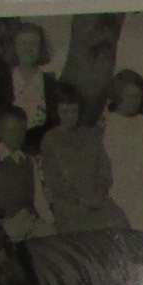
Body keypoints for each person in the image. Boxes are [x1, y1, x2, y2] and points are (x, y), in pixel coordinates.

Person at [36, 86, 124, 231]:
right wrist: (82, 200)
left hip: (97, 199)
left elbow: (104, 170)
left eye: (74, 111)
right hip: (70, 204)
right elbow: (54, 181)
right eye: (64, 112)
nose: (70, 117)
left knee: (119, 224)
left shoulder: (90, 135)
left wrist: (99, 194)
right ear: (56, 112)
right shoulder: (51, 139)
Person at [102, 68, 143, 240]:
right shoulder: (106, 123)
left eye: (138, 96)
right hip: (116, 198)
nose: (134, 101)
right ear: (118, 95)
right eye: (129, 96)